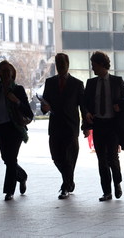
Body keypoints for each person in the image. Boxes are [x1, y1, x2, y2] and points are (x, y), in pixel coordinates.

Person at [83, 51, 124, 201]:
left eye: (94, 65)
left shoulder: (117, 81)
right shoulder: (91, 83)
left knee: (112, 157)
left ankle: (117, 183)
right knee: (101, 159)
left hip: (112, 125)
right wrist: (86, 114)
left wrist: (120, 107)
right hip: (98, 125)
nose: (93, 69)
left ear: (102, 65)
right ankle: (106, 191)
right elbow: (84, 104)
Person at [41, 53, 87, 199]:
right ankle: (69, 181)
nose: (60, 66)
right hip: (55, 126)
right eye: (57, 64)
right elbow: (44, 103)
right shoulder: (49, 83)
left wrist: (86, 125)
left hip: (71, 126)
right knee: (56, 157)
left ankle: (65, 186)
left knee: (69, 157)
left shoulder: (77, 84)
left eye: (62, 63)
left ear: (68, 64)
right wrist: (44, 107)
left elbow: (83, 106)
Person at [0, 60, 33, 201]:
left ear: (12, 73)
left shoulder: (18, 90)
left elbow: (29, 113)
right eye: (3, 71)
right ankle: (22, 176)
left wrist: (16, 101)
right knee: (6, 159)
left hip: (16, 128)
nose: (5, 73)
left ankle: (9, 191)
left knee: (11, 158)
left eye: (8, 71)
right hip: (2, 128)